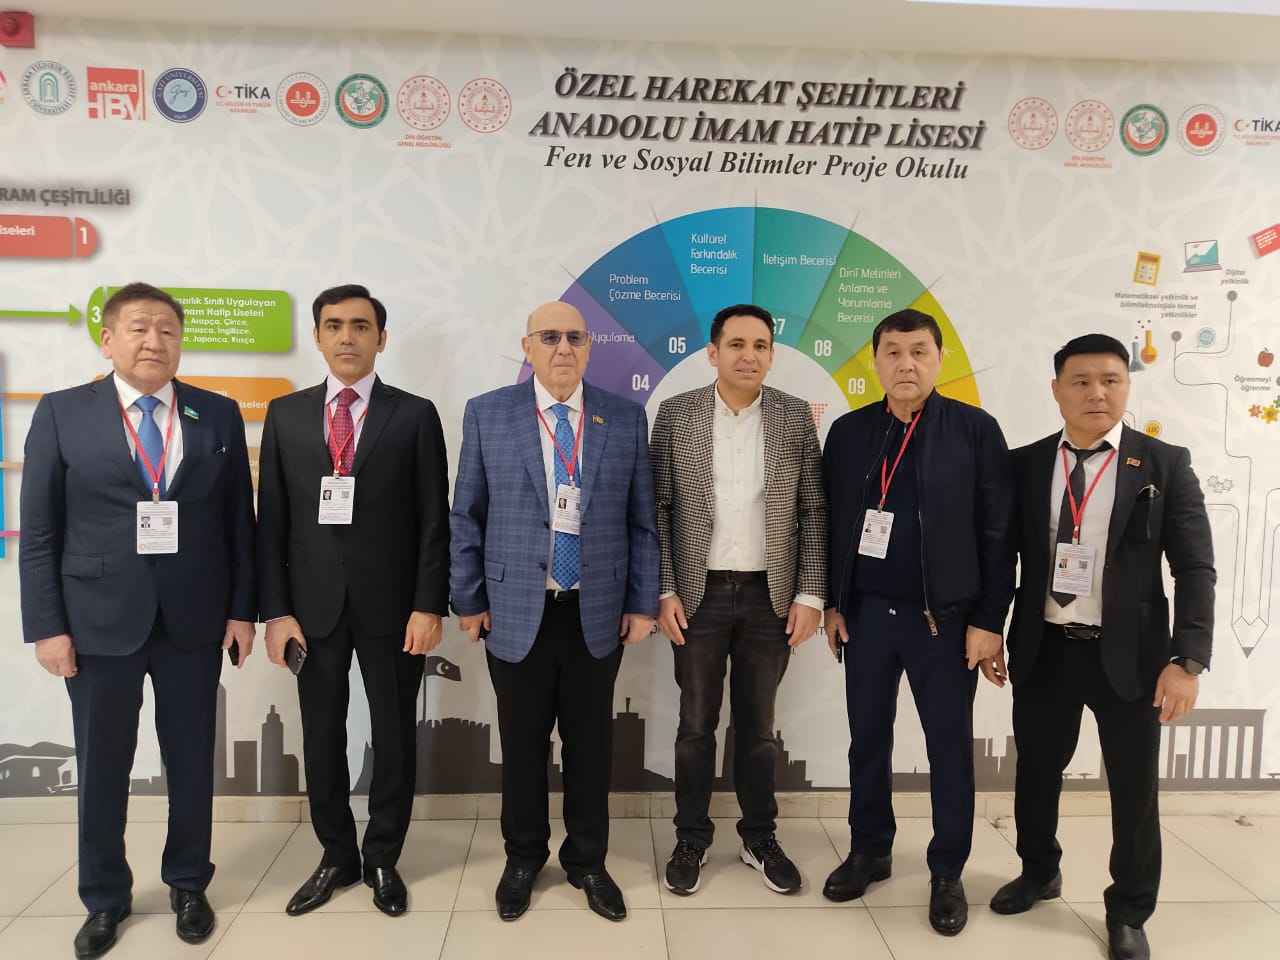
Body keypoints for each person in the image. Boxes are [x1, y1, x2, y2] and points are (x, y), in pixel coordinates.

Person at [19, 282, 256, 958]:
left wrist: (243, 611)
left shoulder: (216, 413)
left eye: (167, 331)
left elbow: (239, 524)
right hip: (96, 622)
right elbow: (40, 531)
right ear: (108, 341)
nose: (155, 341)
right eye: (139, 328)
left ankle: (188, 882)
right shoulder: (63, 412)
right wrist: (48, 626)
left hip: (193, 620)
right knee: (101, 765)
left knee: (192, 759)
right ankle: (104, 896)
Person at [989, 334, 1215, 960]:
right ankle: (1039, 872)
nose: (1097, 393)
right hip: (1045, 646)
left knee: (1134, 788)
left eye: (1111, 380)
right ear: (1056, 389)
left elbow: (1195, 568)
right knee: (1037, 771)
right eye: (1082, 381)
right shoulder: (1025, 464)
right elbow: (1001, 558)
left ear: (1127, 387)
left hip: (1133, 656)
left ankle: (1130, 910)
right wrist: (990, 628)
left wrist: (1187, 660)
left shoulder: (1163, 464)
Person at [450, 301, 659, 922]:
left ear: (589, 348)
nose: (563, 347)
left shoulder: (625, 417)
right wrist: (469, 598)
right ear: (528, 346)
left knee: (591, 746)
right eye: (549, 337)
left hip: (598, 611)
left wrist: (641, 601)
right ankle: (523, 858)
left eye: (574, 337)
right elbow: (467, 514)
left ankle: (588, 861)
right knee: (522, 746)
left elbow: (642, 521)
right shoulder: (488, 413)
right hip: (514, 610)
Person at [256, 284, 450, 918]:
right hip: (311, 609)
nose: (347, 336)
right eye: (334, 325)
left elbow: (433, 518)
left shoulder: (414, 415)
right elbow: (271, 522)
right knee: (321, 735)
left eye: (361, 326)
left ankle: (383, 857)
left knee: (394, 737)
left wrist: (429, 604)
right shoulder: (285, 415)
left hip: (394, 609)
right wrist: (277, 611)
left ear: (380, 339)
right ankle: (336, 854)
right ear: (317, 337)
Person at [820, 308, 1015, 935]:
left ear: (939, 359)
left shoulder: (974, 430)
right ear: (875, 360)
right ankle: (869, 849)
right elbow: (831, 524)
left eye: (919, 352)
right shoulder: (849, 432)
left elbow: (999, 532)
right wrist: (833, 602)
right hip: (867, 618)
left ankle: (947, 870)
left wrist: (989, 620)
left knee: (949, 748)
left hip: (945, 624)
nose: (906, 363)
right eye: (893, 352)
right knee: (867, 738)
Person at [650, 303, 826, 896]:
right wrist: (665, 588)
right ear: (713, 352)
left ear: (772, 355)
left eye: (760, 345)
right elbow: (658, 508)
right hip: (696, 594)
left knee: (758, 728)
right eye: (736, 344)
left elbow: (813, 509)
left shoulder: (795, 416)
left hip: (768, 596)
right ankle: (691, 837)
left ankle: (758, 837)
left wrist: (810, 593)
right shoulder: (675, 414)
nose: (749, 355)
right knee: (695, 725)